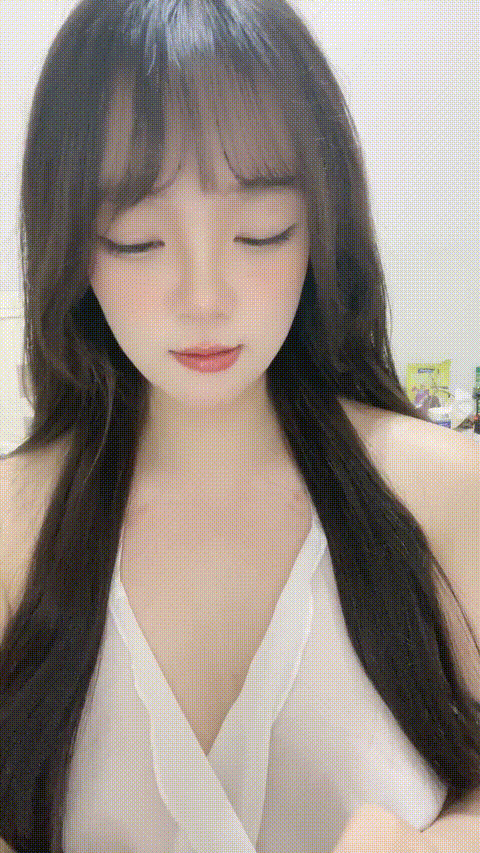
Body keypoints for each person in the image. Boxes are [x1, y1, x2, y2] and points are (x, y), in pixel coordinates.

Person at [1, 2, 478, 851]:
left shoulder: (446, 493)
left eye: (262, 232)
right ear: (72, 245)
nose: (205, 296)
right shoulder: (12, 529)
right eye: (137, 240)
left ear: (320, 228)